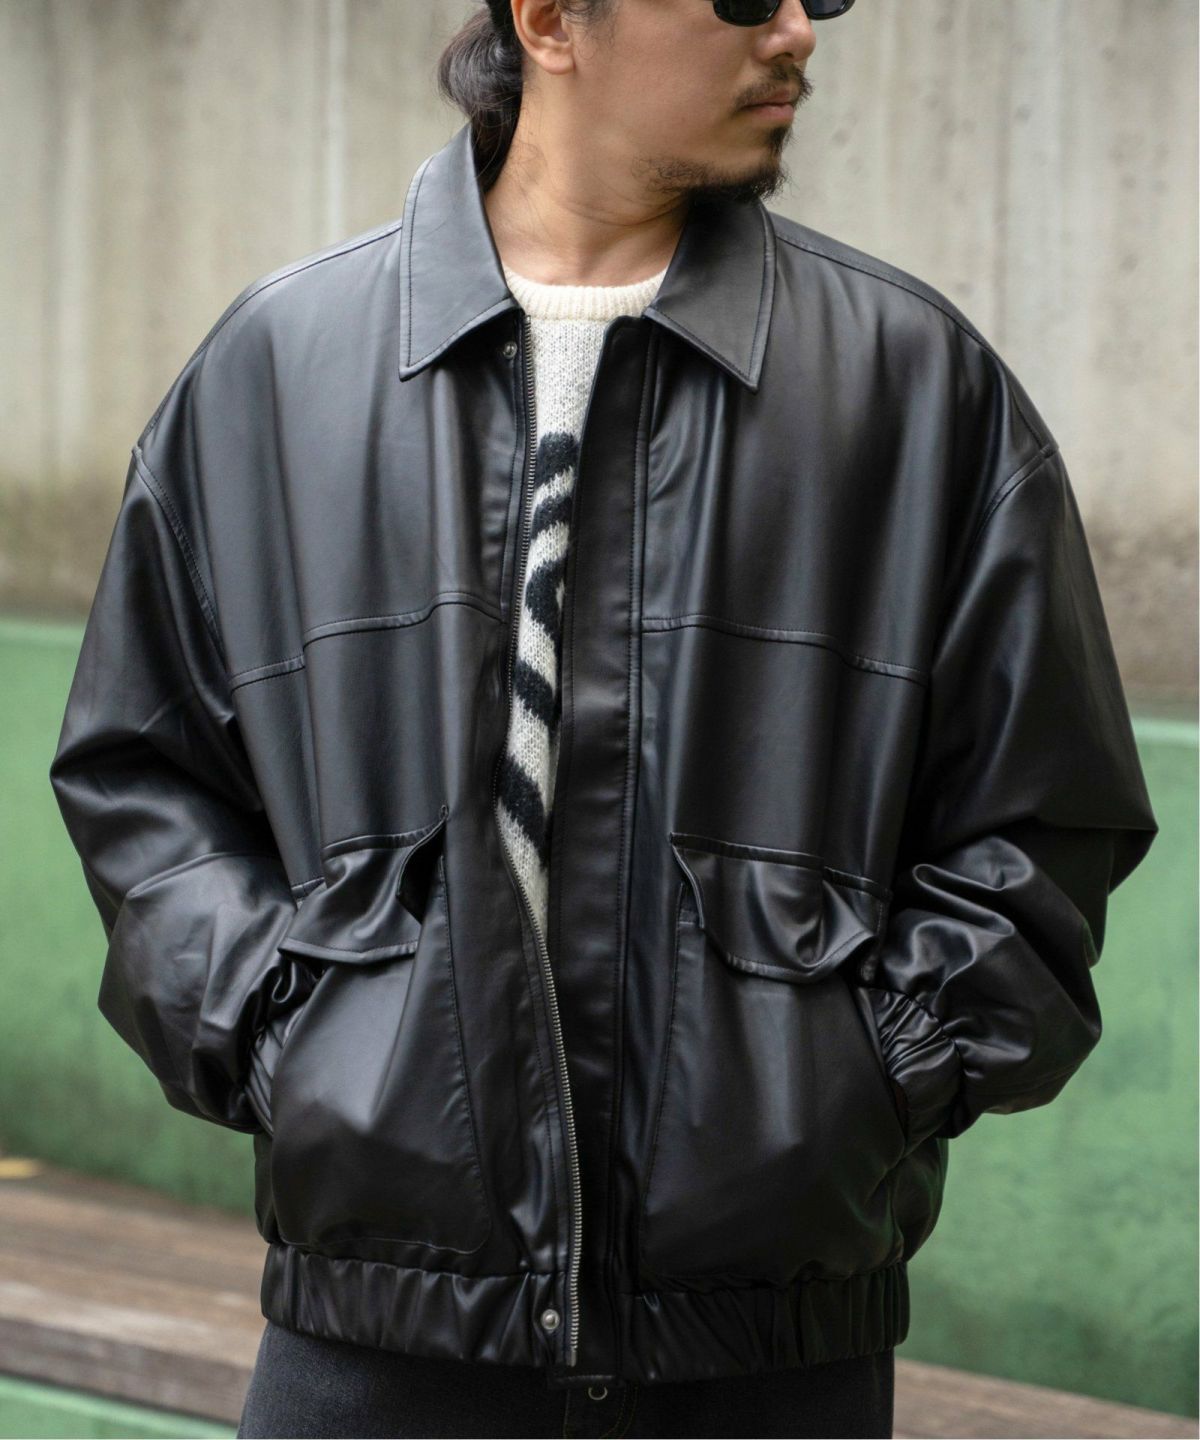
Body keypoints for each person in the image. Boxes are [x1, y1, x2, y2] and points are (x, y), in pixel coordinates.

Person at [48, 1, 1159, 1437]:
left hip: (766, 1361)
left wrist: (870, 1076)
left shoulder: (913, 386)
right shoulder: (279, 371)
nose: (797, 34)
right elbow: (143, 782)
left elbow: (1042, 822)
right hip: (372, 1346)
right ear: (552, 18)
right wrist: (290, 1040)